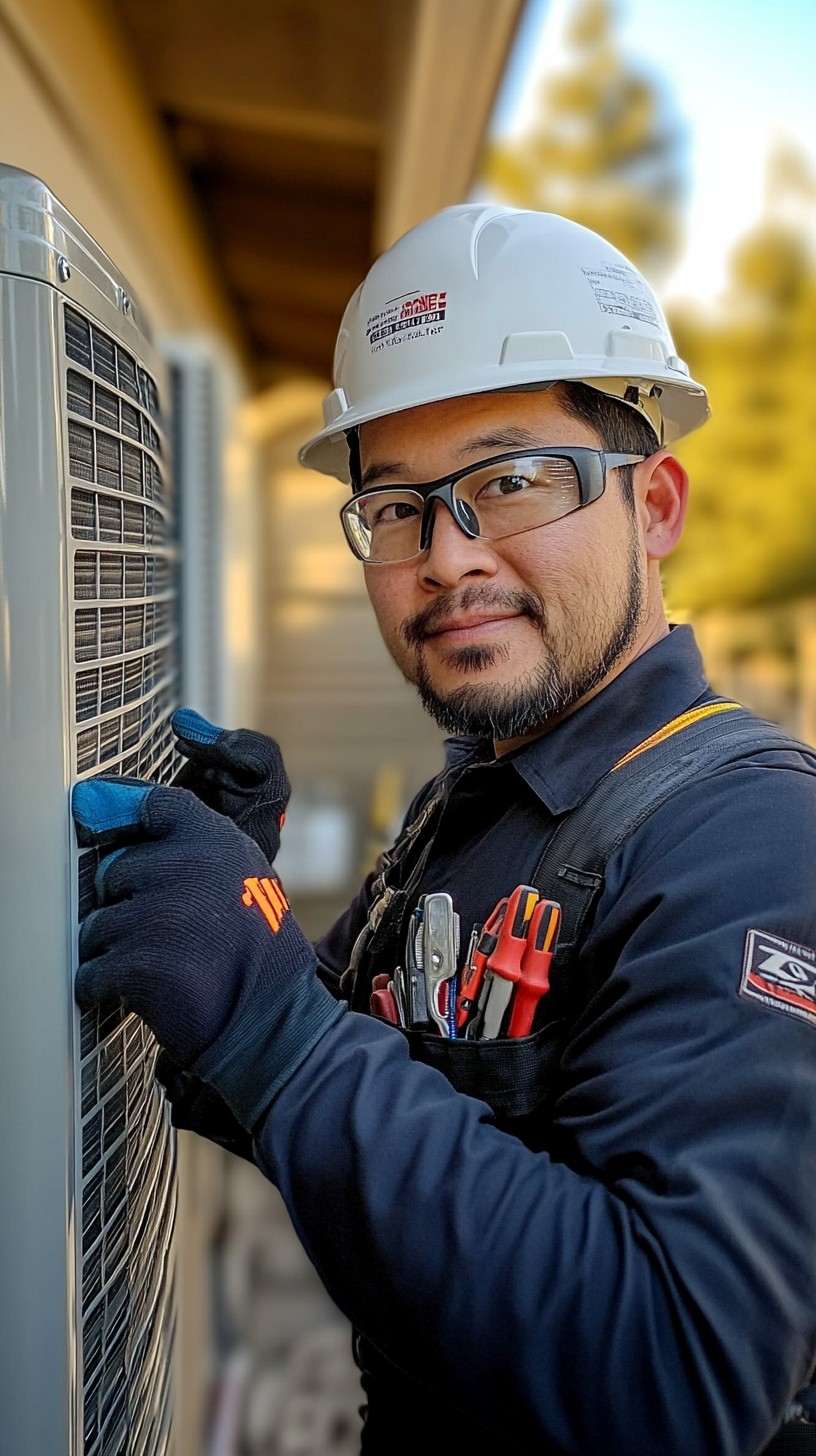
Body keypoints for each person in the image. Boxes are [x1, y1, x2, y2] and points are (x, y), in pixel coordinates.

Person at [73, 206, 816, 1455]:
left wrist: (277, 1023)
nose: (446, 554)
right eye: (399, 506)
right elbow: (328, 1104)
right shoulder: (471, 809)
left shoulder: (749, 842)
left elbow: (681, 1379)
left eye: (512, 479)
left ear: (658, 504)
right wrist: (233, 920)